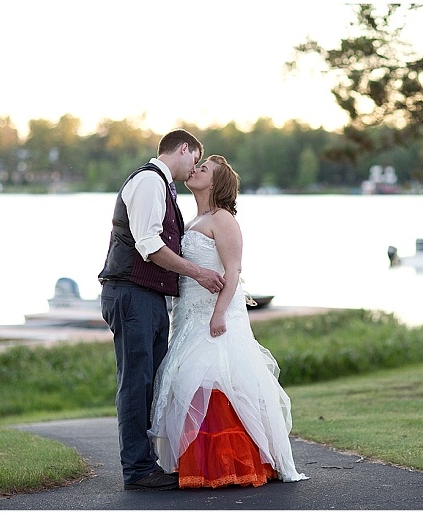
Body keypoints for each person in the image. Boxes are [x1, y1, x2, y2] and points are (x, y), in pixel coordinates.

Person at [149, 155, 308, 488]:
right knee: (187, 382)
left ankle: (230, 464)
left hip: (215, 316)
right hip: (188, 314)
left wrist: (219, 313)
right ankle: (195, 461)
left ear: (215, 183)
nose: (195, 170)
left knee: (216, 380)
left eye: (203, 169)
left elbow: (233, 270)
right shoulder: (192, 220)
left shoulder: (223, 219)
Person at [98, 129, 225, 491]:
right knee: (136, 383)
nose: (194, 168)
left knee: (150, 381)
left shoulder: (163, 186)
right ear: (183, 149)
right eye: (195, 160)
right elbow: (149, 245)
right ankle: (137, 470)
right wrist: (199, 272)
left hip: (148, 296)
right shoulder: (149, 182)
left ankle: (146, 464)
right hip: (131, 292)